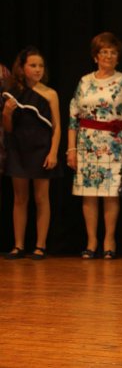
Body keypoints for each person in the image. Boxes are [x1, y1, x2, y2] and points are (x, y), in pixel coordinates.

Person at [67, 32, 122, 259]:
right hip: (87, 142)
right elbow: (73, 116)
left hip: (114, 144)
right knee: (88, 194)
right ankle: (91, 241)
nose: (108, 56)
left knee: (110, 194)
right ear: (95, 56)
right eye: (104, 52)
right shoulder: (84, 81)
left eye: (113, 52)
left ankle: (109, 239)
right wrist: (71, 149)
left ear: (118, 58)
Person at [2, 47, 61, 259]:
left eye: (40, 66)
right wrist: (7, 113)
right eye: (33, 65)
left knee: (41, 198)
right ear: (22, 67)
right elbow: (8, 128)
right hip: (18, 148)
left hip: (41, 148)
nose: (37, 69)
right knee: (20, 198)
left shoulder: (49, 93)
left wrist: (53, 152)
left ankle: (40, 245)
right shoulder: (13, 91)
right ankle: (18, 245)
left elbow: (57, 127)